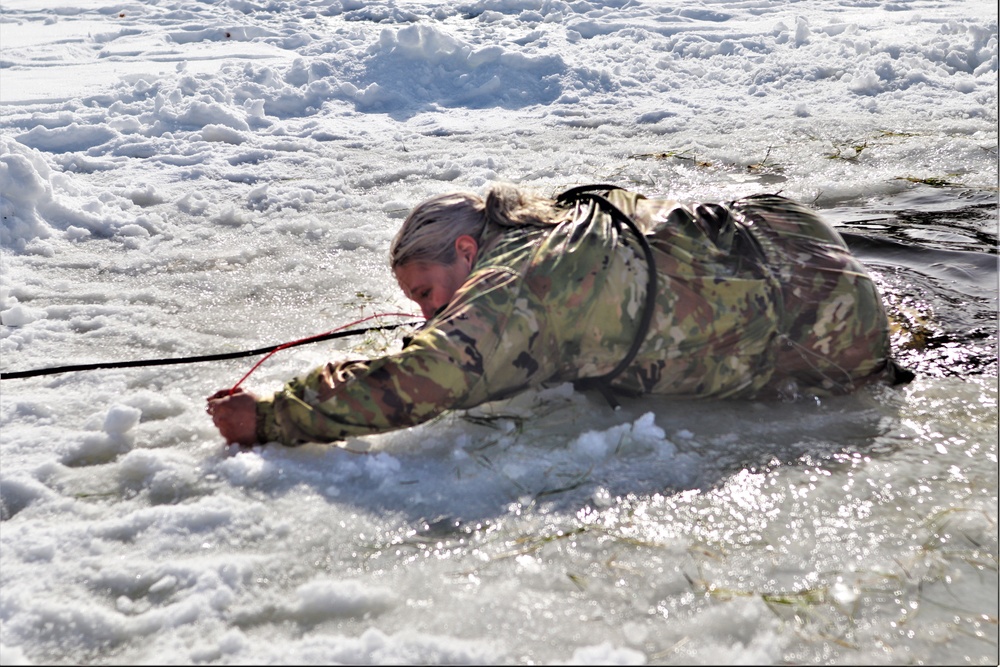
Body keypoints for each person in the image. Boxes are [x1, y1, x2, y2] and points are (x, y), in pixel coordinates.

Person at [207, 183, 910, 446]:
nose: (426, 313)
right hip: (793, 235)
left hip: (824, 334)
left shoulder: (515, 285)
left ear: (464, 248)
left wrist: (273, 416)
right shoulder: (550, 224)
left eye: (426, 293)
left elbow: (429, 375)